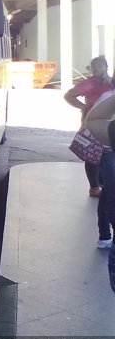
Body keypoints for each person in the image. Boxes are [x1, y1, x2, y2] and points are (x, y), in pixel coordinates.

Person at [65, 56, 111, 197]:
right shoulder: (89, 83)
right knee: (92, 156)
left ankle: (105, 184)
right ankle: (94, 187)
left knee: (107, 155)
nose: (97, 69)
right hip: (92, 124)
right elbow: (68, 96)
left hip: (109, 124)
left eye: (100, 66)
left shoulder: (112, 83)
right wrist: (84, 107)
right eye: (94, 66)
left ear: (106, 67)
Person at [84, 92, 115, 249]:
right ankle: (104, 235)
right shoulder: (106, 94)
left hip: (109, 149)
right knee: (109, 193)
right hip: (108, 152)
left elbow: (92, 120)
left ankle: (104, 235)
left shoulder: (108, 96)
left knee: (109, 193)